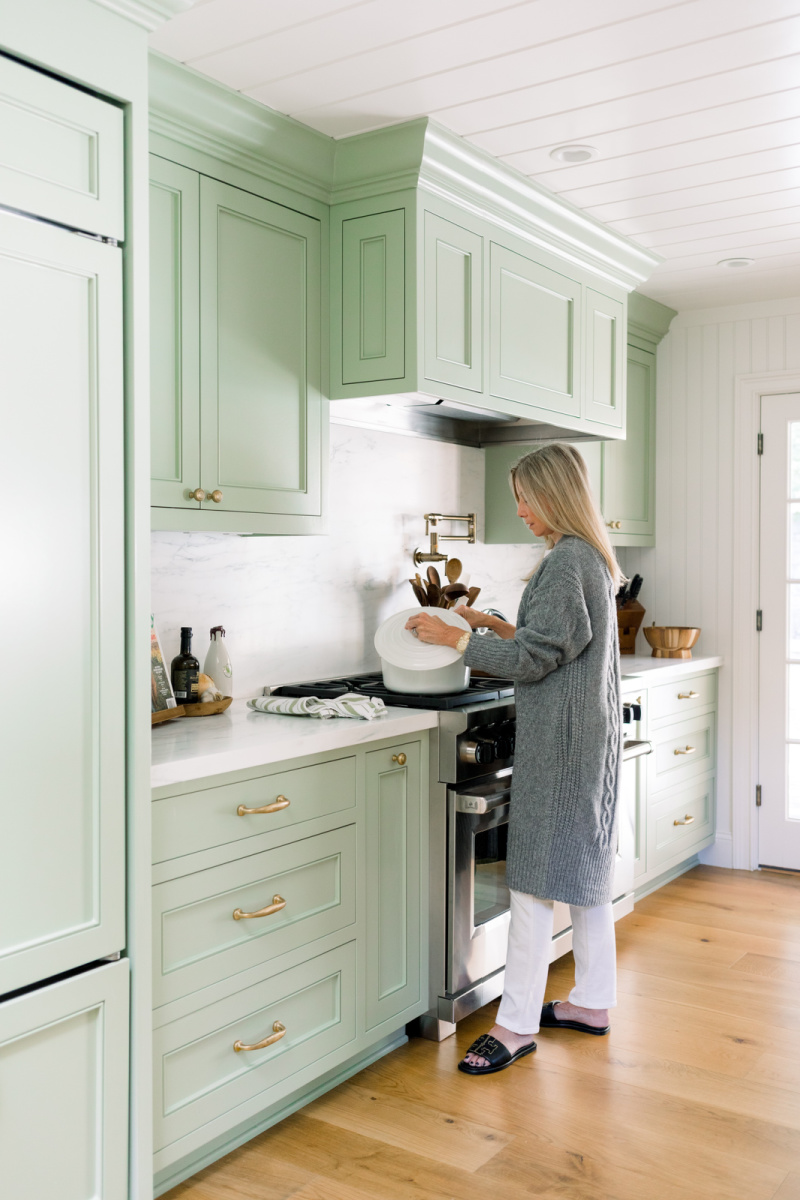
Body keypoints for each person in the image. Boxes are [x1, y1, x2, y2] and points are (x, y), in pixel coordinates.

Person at [405, 442, 623, 1076]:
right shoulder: (589, 557)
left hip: (561, 745)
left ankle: (515, 1025)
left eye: (526, 498)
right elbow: (551, 644)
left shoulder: (565, 561)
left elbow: (536, 660)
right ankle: (592, 1002)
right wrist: (485, 625)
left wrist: (455, 638)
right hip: (588, 737)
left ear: (553, 495)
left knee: (530, 882)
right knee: (585, 876)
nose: (521, 511)